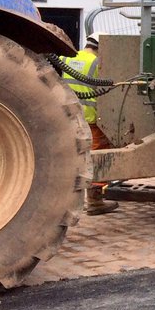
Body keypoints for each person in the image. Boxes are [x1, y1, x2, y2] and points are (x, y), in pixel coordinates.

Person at [60, 33, 118, 215]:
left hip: (69, 117)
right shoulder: (97, 62)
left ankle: (68, 198)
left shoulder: (67, 58)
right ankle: (95, 200)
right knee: (97, 157)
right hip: (91, 119)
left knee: (75, 157)